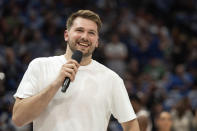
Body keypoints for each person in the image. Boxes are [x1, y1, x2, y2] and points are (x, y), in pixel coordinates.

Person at [12, 10, 140, 131]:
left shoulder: (112, 79)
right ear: (66, 35)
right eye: (79, 30)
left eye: (91, 33)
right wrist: (55, 84)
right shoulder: (40, 66)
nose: (85, 36)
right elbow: (19, 119)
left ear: (97, 42)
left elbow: (131, 123)